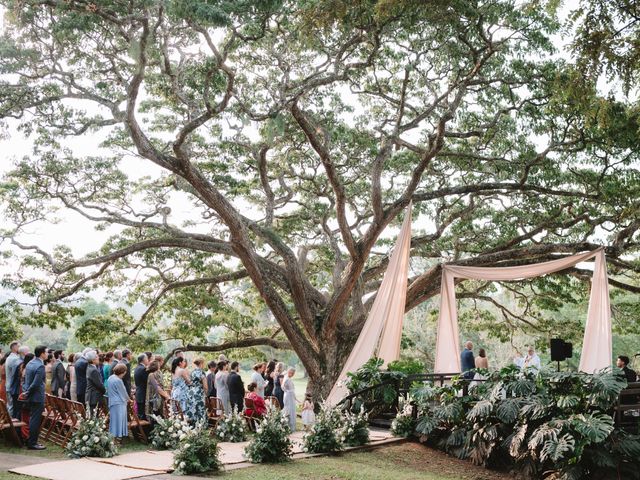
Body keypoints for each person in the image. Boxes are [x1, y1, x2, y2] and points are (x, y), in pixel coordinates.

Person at [20, 345, 48, 450]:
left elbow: (25, 380)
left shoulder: (30, 363)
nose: (48, 354)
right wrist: (27, 392)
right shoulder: (40, 366)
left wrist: (26, 392)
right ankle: (32, 443)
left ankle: (32, 441)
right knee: (35, 420)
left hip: (31, 395)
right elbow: (36, 383)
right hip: (36, 396)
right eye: (46, 352)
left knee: (33, 419)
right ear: (42, 353)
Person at [107, 363, 131, 444]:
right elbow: (123, 392)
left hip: (112, 401)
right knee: (119, 420)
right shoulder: (118, 380)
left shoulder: (110, 378)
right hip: (119, 403)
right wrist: (129, 399)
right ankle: (118, 439)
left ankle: (113, 437)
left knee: (114, 420)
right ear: (123, 372)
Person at [185, 358, 208, 424]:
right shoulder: (201, 372)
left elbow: (189, 382)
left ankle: (192, 425)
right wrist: (206, 394)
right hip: (199, 393)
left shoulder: (192, 372)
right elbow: (205, 386)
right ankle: (201, 426)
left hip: (191, 392)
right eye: (204, 363)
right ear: (201, 363)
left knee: (192, 409)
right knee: (200, 409)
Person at [86, 350, 106, 415]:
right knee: (94, 418)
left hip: (91, 395)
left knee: (93, 417)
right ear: (93, 360)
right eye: (97, 357)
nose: (98, 359)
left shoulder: (89, 367)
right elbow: (99, 384)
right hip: (94, 397)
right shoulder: (93, 370)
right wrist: (104, 390)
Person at [5, 342, 21, 415]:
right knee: (12, 407)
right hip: (12, 386)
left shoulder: (9, 357)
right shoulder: (15, 359)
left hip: (8, 384)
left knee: (10, 405)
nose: (19, 348)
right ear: (14, 347)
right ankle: (11, 424)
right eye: (19, 346)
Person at [134, 353, 149, 420]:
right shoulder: (143, 369)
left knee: (140, 413)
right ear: (144, 359)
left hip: (139, 393)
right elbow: (147, 382)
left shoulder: (137, 368)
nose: (148, 360)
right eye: (147, 358)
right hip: (143, 393)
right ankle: (144, 430)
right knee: (143, 414)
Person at [282, 367, 298, 432]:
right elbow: (283, 387)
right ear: (290, 372)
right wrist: (289, 392)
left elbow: (283, 387)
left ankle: (288, 425)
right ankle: (289, 426)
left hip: (288, 395)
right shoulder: (287, 379)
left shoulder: (286, 377)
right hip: (289, 396)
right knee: (289, 409)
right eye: (293, 373)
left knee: (289, 409)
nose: (293, 375)